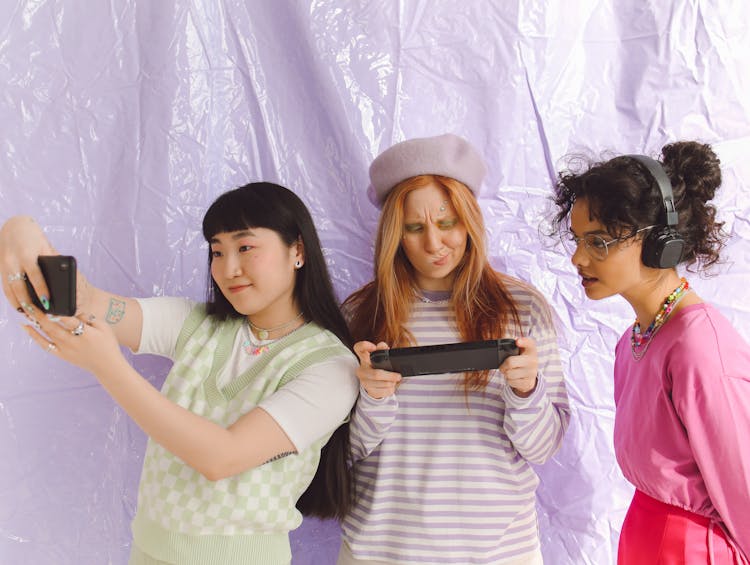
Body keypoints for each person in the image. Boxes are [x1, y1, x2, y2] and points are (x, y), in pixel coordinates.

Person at [0, 182, 359, 565]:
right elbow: (89, 303)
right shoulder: (196, 325)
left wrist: (107, 366)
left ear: (297, 250)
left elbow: (222, 457)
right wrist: (19, 230)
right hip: (148, 552)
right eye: (217, 251)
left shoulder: (330, 367)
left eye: (245, 247)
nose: (227, 268)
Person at [338, 134, 571, 565]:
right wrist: (372, 399)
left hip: (501, 553)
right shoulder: (359, 314)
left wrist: (527, 393)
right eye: (415, 227)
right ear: (395, 233)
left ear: (470, 222)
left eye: (447, 223)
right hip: (380, 552)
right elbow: (340, 454)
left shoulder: (523, 309)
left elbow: (542, 449)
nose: (433, 244)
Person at [552, 141, 750, 564]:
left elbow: (744, 486)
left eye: (598, 242)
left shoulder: (699, 344)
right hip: (644, 537)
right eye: (577, 239)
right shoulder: (634, 340)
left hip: (694, 551)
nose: (577, 257)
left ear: (662, 243)